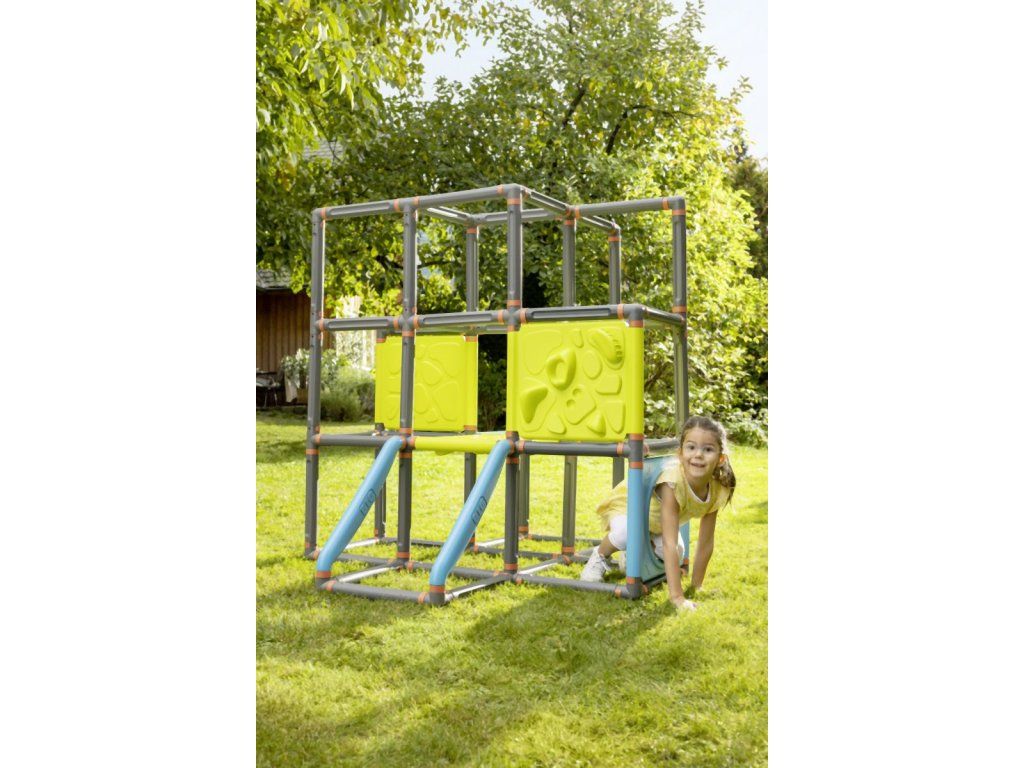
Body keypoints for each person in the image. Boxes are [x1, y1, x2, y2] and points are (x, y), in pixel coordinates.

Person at [580, 415, 736, 612]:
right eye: (691, 447)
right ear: (680, 453)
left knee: (677, 553)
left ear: (721, 458)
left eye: (708, 449)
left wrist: (696, 586)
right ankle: (600, 556)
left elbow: (706, 542)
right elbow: (670, 541)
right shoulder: (672, 482)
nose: (698, 454)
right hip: (628, 508)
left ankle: (632, 556)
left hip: (655, 524)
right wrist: (677, 597)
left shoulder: (718, 489)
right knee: (628, 533)